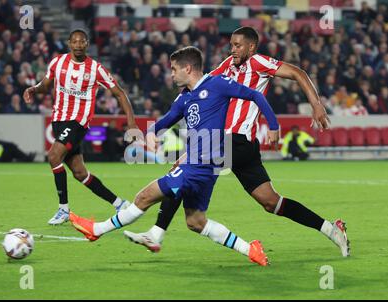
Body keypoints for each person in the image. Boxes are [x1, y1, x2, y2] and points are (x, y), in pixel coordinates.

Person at [124, 27, 350, 258]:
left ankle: (157, 232)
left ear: (251, 47)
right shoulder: (227, 66)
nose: (232, 49)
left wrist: (316, 104)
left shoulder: (259, 62)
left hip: (234, 139)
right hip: (237, 145)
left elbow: (298, 73)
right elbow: (203, 82)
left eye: (238, 45)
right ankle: (332, 230)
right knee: (270, 202)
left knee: (184, 169)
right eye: (231, 45)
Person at [69, 46, 281, 266]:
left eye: (173, 69)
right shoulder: (185, 98)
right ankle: (251, 250)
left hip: (200, 164)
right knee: (196, 222)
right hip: (204, 167)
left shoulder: (217, 84)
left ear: (187, 68)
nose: (170, 74)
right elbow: (167, 120)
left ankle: (96, 230)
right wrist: (151, 133)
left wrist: (273, 125)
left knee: (143, 197)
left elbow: (255, 95)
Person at [23, 29, 137, 225]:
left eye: (81, 42)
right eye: (74, 41)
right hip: (59, 120)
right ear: (69, 43)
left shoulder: (96, 69)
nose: (78, 45)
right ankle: (120, 203)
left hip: (78, 122)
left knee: (53, 156)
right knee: (80, 173)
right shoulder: (58, 62)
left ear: (87, 44)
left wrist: (131, 122)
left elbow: (119, 94)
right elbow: (46, 83)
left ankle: (63, 209)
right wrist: (34, 89)